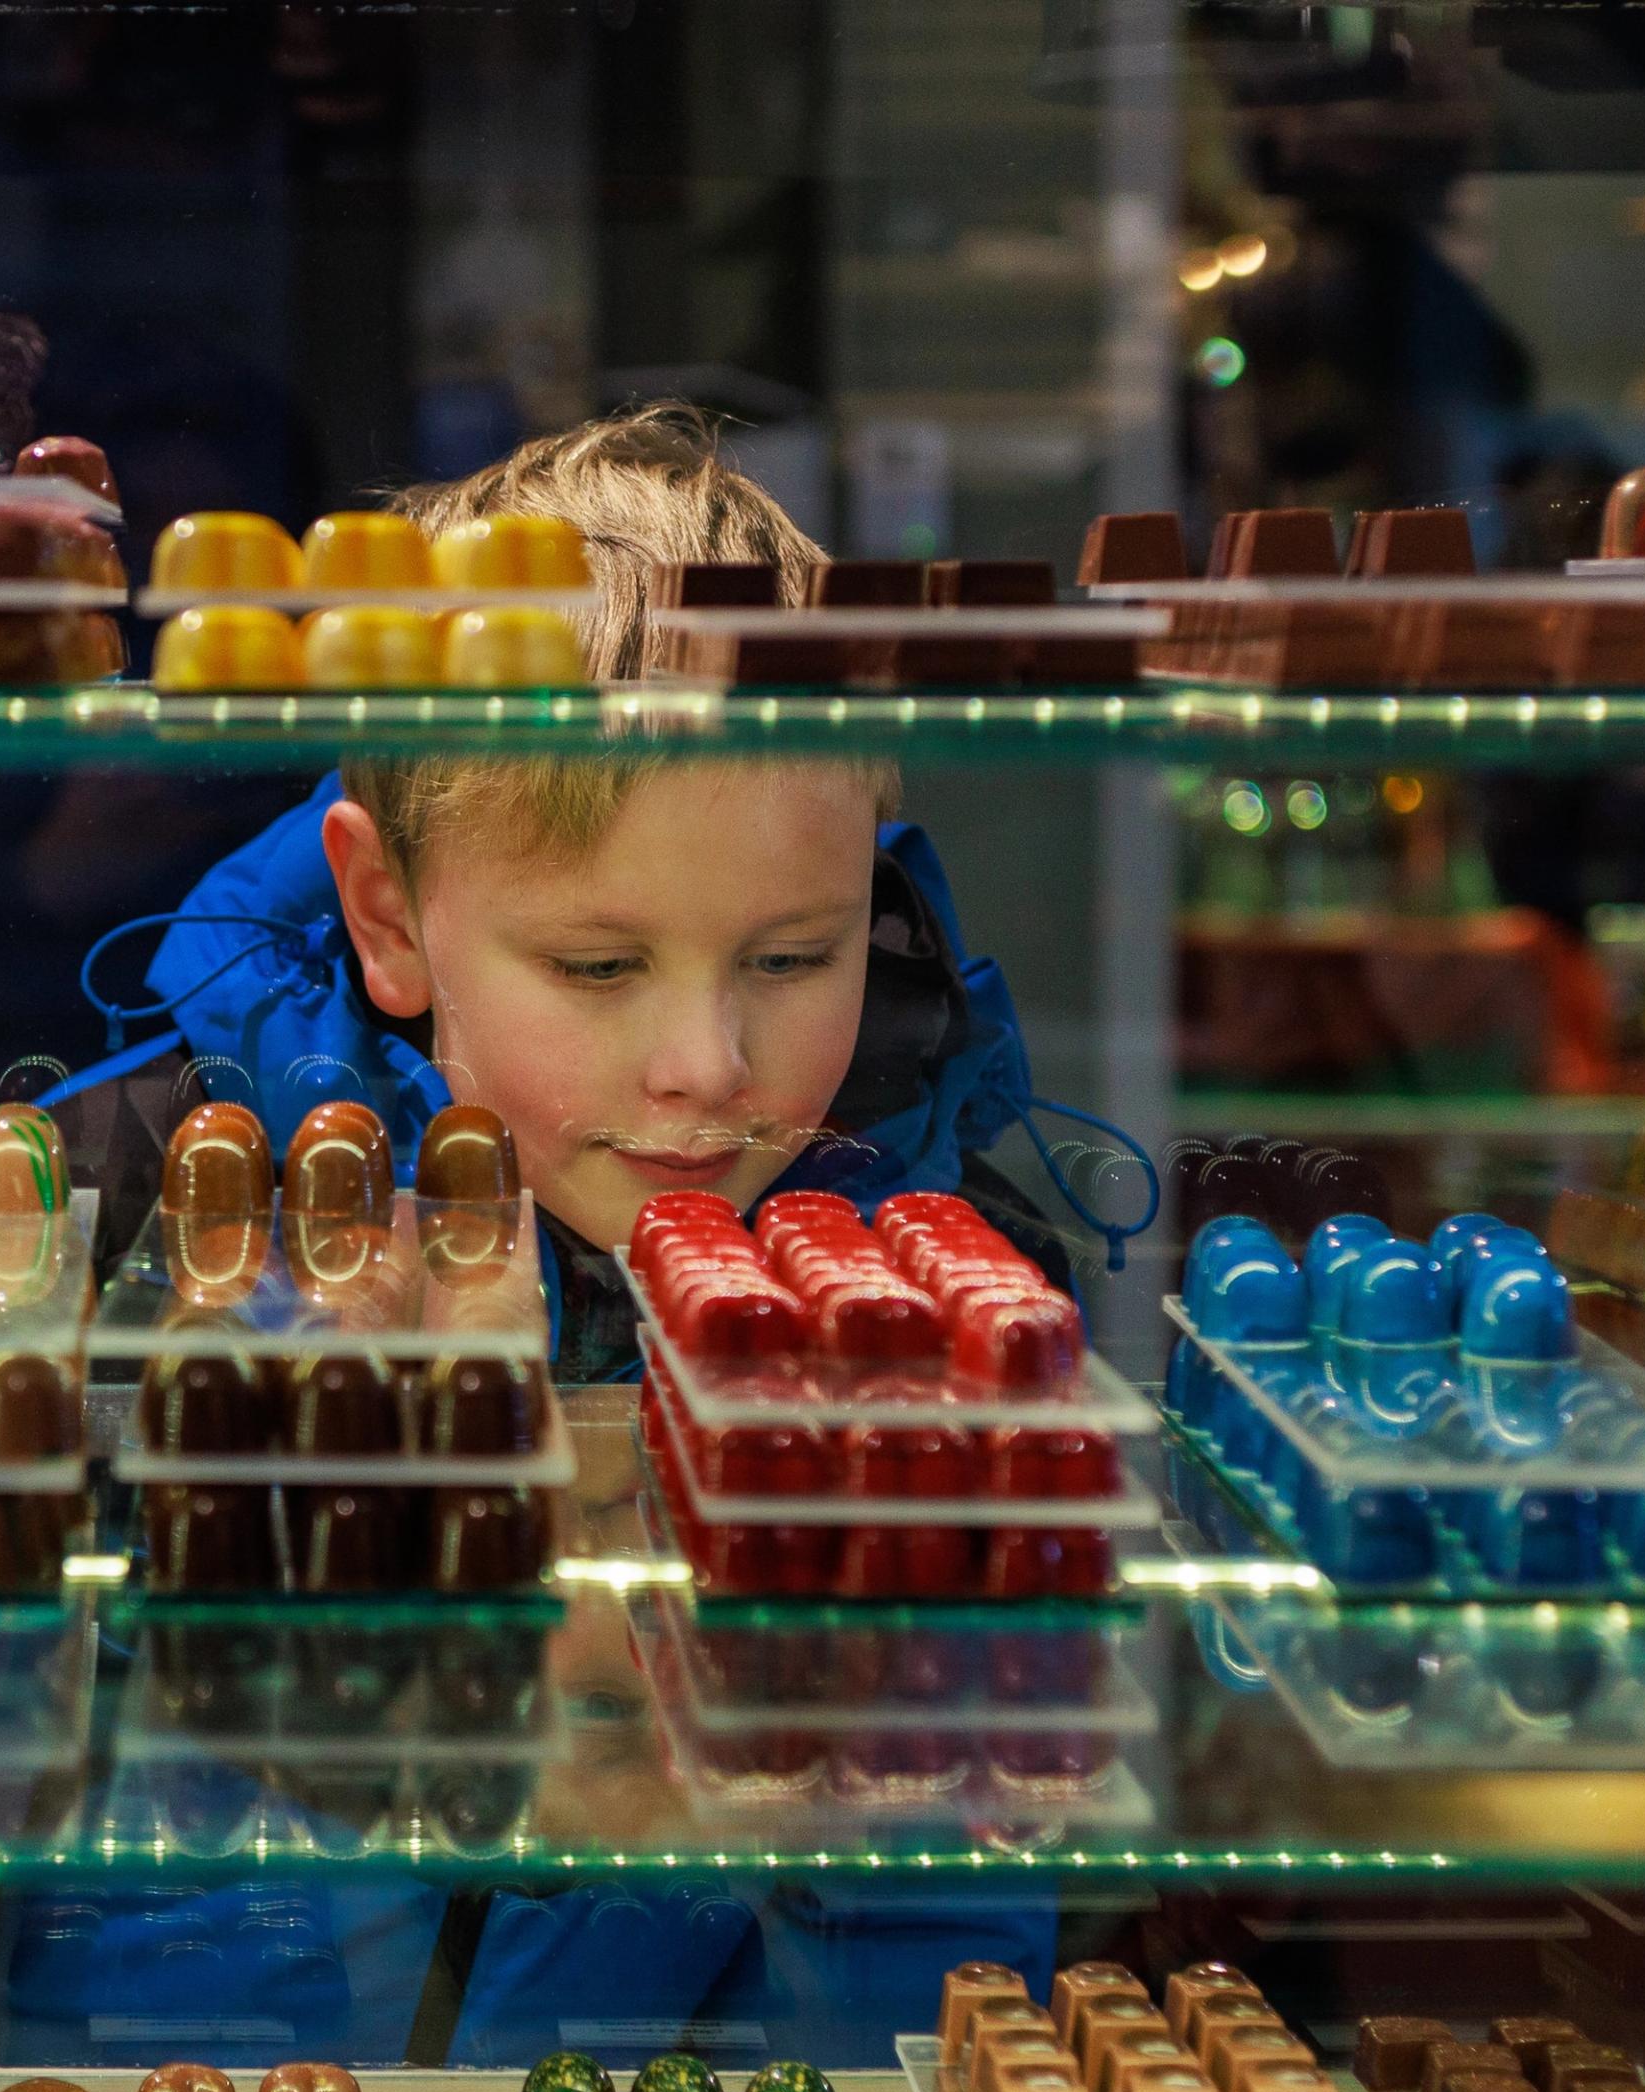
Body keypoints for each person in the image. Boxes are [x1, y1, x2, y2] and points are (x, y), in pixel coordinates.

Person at [55, 404, 1086, 1382]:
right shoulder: (113, 1201)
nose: (706, 1069)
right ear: (386, 915)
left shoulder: (982, 1276)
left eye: (791, 957)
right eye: (598, 965)